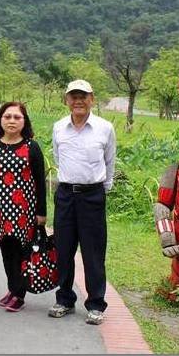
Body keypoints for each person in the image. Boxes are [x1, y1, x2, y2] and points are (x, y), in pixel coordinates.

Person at [48, 79, 116, 325]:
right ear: (66, 100)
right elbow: (58, 157)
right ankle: (65, 299)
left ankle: (96, 303)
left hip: (92, 195)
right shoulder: (58, 128)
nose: (78, 101)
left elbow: (110, 162)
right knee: (63, 249)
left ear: (92, 99)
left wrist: (101, 191)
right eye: (73, 96)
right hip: (65, 194)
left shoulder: (105, 128)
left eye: (83, 96)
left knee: (93, 251)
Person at [0, 102, 46, 312]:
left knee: (22, 252)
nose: (12, 121)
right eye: (7, 117)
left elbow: (40, 182)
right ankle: (13, 289)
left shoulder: (32, 147)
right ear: (0, 120)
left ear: (24, 122)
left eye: (17, 117)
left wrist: (41, 213)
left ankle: (19, 294)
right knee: (6, 251)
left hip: (23, 212)